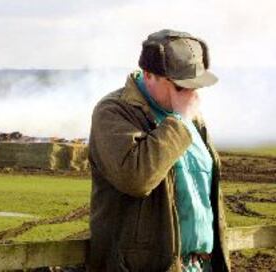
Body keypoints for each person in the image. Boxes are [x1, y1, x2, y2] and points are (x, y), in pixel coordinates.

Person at [88, 29, 230, 272]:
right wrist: (181, 121)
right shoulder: (114, 112)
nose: (191, 94)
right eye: (181, 86)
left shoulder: (189, 118)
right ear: (149, 75)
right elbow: (136, 178)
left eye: (196, 85)